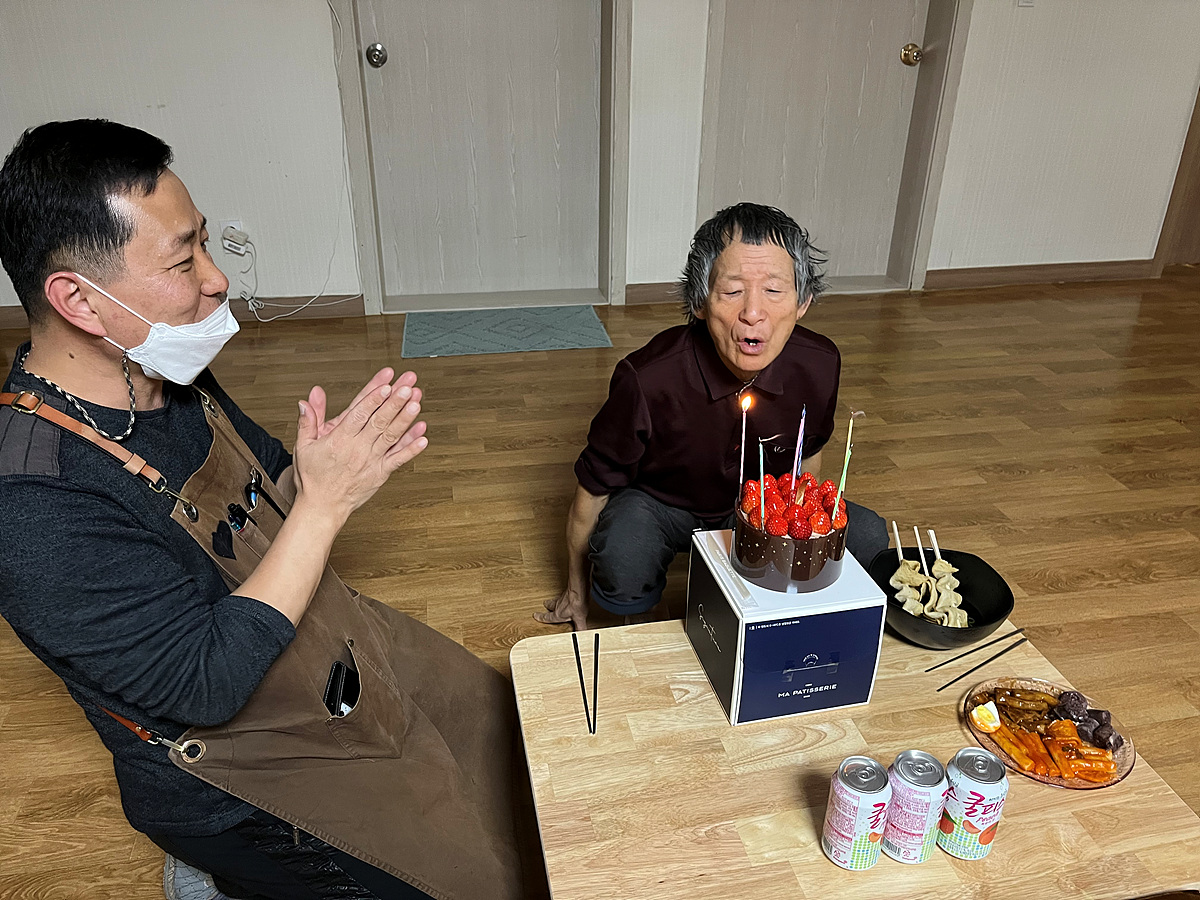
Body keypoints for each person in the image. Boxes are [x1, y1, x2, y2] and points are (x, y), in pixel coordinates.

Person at [0, 120, 536, 900]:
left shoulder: (159, 369)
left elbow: (269, 478)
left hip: (327, 650)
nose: (216, 279)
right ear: (78, 299)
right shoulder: (33, 503)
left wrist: (323, 472)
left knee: (517, 745)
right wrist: (324, 506)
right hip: (238, 786)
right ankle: (224, 877)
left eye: (203, 243)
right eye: (183, 260)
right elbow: (206, 685)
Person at [537, 203, 889, 630]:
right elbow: (591, 491)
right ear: (701, 301)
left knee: (867, 534)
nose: (753, 313)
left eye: (774, 290)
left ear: (803, 302)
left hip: (758, 504)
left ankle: (787, 618)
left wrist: (794, 533)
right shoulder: (646, 378)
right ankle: (641, 622)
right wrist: (575, 592)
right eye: (733, 291)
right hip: (661, 505)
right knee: (624, 551)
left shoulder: (820, 363)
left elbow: (807, 456)